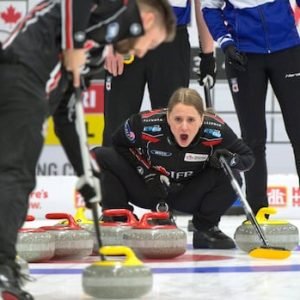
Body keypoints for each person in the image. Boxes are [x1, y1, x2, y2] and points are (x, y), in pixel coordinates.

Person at [0, 0, 176, 298]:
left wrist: (86, 176)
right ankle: (3, 267)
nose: (143, 52)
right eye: (152, 42)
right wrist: (74, 44)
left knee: (16, 176)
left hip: (29, 91)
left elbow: (68, 119)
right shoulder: (115, 7)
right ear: (146, 20)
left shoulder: (95, 53)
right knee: (16, 176)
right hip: (19, 74)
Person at [92, 87, 254, 249]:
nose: (184, 127)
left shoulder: (217, 130)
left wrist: (230, 159)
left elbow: (248, 158)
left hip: (189, 193)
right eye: (177, 119)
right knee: (99, 156)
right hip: (151, 188)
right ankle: (120, 220)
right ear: (168, 117)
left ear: (202, 118)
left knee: (231, 175)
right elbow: (118, 143)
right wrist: (146, 172)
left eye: (191, 120)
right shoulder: (143, 123)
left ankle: (205, 229)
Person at [201, 0, 300, 216]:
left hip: (288, 51)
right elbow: (209, 7)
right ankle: (258, 212)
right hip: (244, 56)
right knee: (253, 138)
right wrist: (226, 43)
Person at [102, 0, 217, 146]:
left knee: (173, 129)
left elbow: (202, 3)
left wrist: (207, 55)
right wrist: (112, 39)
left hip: (172, 40)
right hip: (128, 34)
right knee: (117, 128)